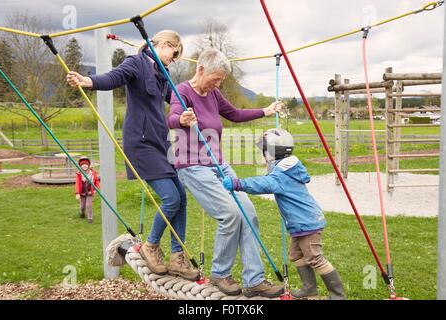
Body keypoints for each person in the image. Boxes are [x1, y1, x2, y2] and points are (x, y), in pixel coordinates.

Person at [66, 30, 199, 281]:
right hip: (141, 143)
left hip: (161, 144)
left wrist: (186, 113)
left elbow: (176, 101)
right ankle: (150, 245)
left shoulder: (164, 73)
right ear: (164, 44)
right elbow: (114, 78)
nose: (175, 58)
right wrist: (88, 81)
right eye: (175, 52)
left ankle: (177, 257)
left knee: (181, 196)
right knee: (170, 198)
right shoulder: (135, 63)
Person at [167, 48, 284, 298]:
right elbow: (173, 116)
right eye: (216, 78)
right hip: (192, 166)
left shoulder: (214, 94)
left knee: (248, 213)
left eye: (221, 79)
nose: (218, 83)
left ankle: (254, 280)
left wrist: (266, 110)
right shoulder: (183, 91)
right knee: (230, 214)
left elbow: (235, 114)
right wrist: (183, 120)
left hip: (219, 165)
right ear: (201, 70)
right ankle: (220, 273)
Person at [222, 128, 347, 300]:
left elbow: (263, 184)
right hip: (300, 224)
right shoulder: (286, 168)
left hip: (307, 224)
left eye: (264, 151)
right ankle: (309, 288)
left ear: (271, 153)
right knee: (296, 255)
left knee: (315, 258)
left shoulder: (281, 175)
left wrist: (238, 183)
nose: (263, 155)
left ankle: (338, 295)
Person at [75, 157, 100, 224]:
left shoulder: (92, 174)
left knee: (89, 205)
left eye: (86, 164)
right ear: (80, 166)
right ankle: (82, 213)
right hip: (82, 192)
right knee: (82, 206)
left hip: (89, 192)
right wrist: (77, 193)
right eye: (82, 165)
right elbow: (77, 184)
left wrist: (95, 189)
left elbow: (96, 181)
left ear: (88, 165)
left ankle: (90, 218)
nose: (84, 166)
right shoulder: (79, 174)